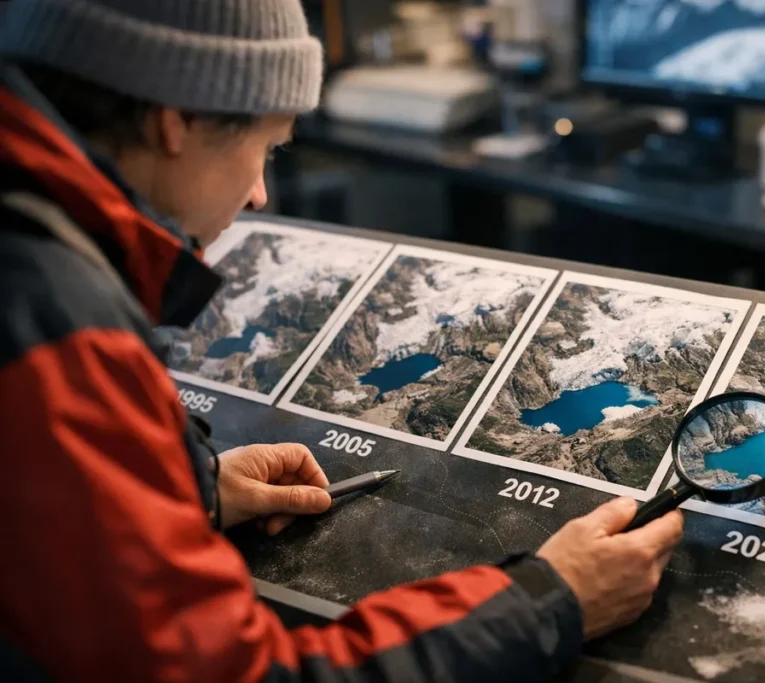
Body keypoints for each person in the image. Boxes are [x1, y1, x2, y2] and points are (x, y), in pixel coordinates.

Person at [0, 1, 684, 681]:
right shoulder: (57, 332)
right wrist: (550, 603)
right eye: (264, 149)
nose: (261, 194)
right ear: (176, 120)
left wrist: (180, 491)